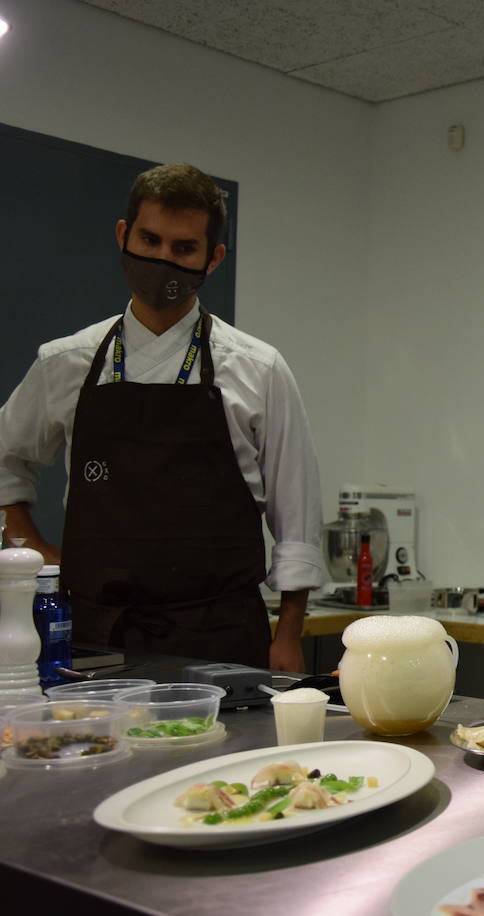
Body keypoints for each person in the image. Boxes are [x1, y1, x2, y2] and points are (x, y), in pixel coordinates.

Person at [0, 163, 325, 672]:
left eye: (183, 248)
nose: (162, 260)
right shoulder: (66, 361)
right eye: (149, 240)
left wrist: (287, 635)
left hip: (222, 642)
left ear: (212, 258)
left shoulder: (259, 369)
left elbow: (297, 523)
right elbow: (5, 459)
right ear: (123, 235)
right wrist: (28, 543)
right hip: (91, 639)